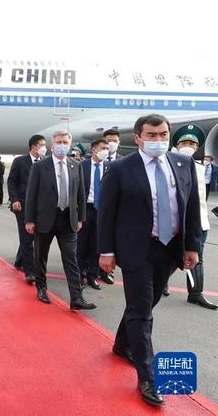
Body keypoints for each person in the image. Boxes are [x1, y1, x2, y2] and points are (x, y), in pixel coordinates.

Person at [98, 114, 201, 407]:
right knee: (142, 312)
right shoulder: (120, 169)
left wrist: (192, 247)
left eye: (163, 134)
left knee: (146, 302)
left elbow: (191, 207)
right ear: (138, 138)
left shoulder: (183, 164)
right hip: (136, 250)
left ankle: (122, 343)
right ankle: (148, 377)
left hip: (169, 248)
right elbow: (106, 213)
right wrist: (106, 251)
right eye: (152, 135)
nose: (159, 140)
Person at [25, 130, 95, 310]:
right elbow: (31, 195)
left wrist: (80, 218)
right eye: (59, 142)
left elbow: (80, 193)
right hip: (45, 219)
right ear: (52, 145)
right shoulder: (40, 166)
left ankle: (76, 298)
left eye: (65, 142)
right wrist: (29, 220)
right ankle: (41, 288)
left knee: (71, 258)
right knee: (41, 256)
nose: (62, 145)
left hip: (68, 219)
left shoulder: (75, 165)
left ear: (70, 145)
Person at [172, 126, 216, 309]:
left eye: (192, 143)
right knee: (169, 255)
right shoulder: (168, 165)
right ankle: (160, 283)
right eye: (184, 143)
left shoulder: (200, 168)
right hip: (175, 220)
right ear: (177, 145)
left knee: (198, 256)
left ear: (197, 147)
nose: (188, 146)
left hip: (199, 221)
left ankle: (196, 293)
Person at [8, 135, 46, 284]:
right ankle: (30, 272)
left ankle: (20, 261)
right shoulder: (20, 161)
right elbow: (11, 181)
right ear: (33, 146)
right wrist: (14, 200)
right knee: (27, 238)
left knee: (34, 237)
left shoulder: (45, 162)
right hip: (22, 206)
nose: (44, 148)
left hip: (40, 207)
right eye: (42, 145)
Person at [77, 139, 109, 290]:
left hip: (102, 210)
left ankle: (93, 275)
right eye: (103, 148)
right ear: (94, 150)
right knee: (81, 244)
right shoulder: (81, 166)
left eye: (107, 148)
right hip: (85, 208)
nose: (106, 151)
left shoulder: (110, 167)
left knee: (97, 244)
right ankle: (79, 274)